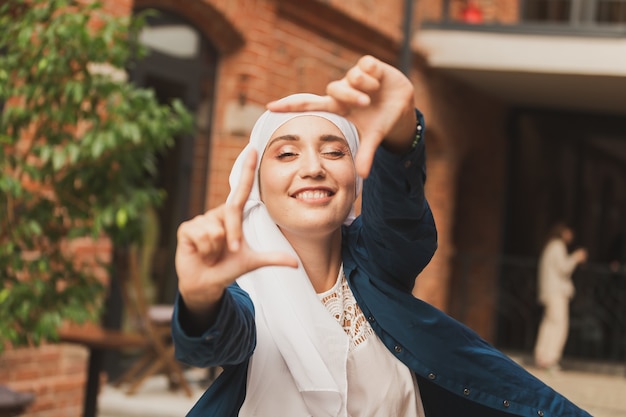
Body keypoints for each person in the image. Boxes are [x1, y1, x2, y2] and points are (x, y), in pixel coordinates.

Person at [172, 55, 591, 417]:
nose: (313, 166)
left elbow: (400, 216)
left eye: (335, 151)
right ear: (257, 183)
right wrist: (201, 298)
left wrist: (399, 127)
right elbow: (218, 342)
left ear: (355, 179)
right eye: (286, 153)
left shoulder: (379, 261)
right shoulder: (244, 287)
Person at [533, 222, 587, 371]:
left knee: (549, 324)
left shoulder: (551, 246)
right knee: (559, 325)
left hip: (550, 291)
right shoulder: (557, 246)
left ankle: (541, 356)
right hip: (556, 292)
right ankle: (550, 358)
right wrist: (576, 257)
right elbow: (563, 268)